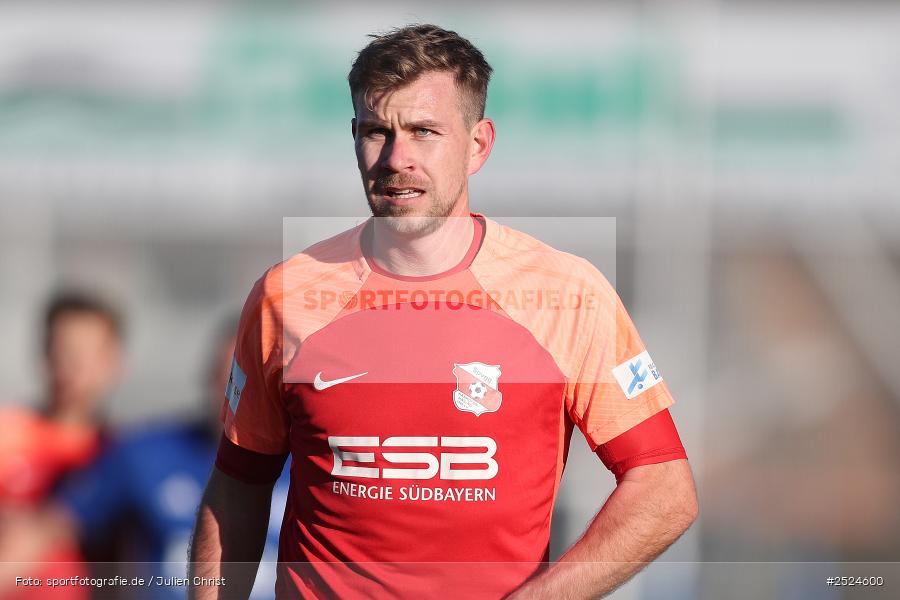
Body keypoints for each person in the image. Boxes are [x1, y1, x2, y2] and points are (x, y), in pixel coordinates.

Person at [190, 24, 698, 600]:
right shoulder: (287, 294)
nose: (396, 158)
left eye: (424, 131)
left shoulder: (566, 292)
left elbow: (662, 486)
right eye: (377, 132)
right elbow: (239, 482)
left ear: (478, 144)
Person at [3, 316, 289, 600]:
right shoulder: (145, 453)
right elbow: (49, 527)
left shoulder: (309, 467)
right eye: (229, 378)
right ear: (208, 376)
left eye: (251, 382)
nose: (236, 396)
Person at [0, 291, 124, 600]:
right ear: (45, 352)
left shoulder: (123, 455)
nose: (74, 365)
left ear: (113, 361)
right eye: (63, 350)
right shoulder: (9, 435)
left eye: (87, 353)